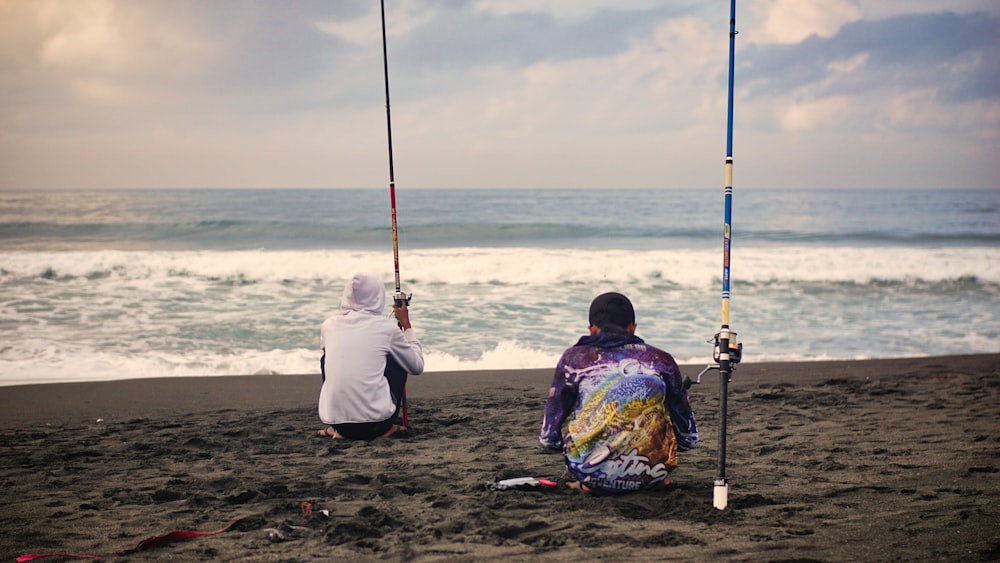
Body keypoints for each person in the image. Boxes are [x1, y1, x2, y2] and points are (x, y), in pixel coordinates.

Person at [538, 292, 698, 493]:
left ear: (592, 329)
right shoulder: (661, 359)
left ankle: (590, 483)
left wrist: (554, 442)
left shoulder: (574, 358)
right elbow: (688, 436)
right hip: (653, 472)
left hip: (590, 473)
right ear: (633, 328)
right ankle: (650, 480)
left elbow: (548, 437)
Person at [316, 273, 424, 440]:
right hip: (378, 422)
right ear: (378, 297)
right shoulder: (386, 329)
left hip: (337, 422)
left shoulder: (328, 326)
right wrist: (406, 325)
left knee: (327, 358)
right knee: (396, 358)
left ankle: (336, 428)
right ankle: (388, 430)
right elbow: (416, 366)